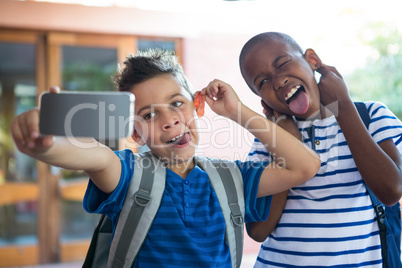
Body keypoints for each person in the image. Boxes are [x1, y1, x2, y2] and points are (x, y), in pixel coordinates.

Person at [10, 49, 320, 268]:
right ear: (135, 133)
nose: (170, 120)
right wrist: (45, 145)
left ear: (197, 105)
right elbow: (94, 156)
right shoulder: (129, 173)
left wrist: (237, 111)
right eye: (149, 114)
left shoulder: (232, 178)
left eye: (177, 103)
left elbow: (304, 166)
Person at [239, 32, 402, 267]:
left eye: (283, 63)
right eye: (262, 82)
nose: (278, 81)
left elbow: (391, 191)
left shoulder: (371, 116)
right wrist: (288, 146)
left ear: (312, 61)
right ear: (262, 100)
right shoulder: (269, 139)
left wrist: (343, 106)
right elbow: (258, 230)